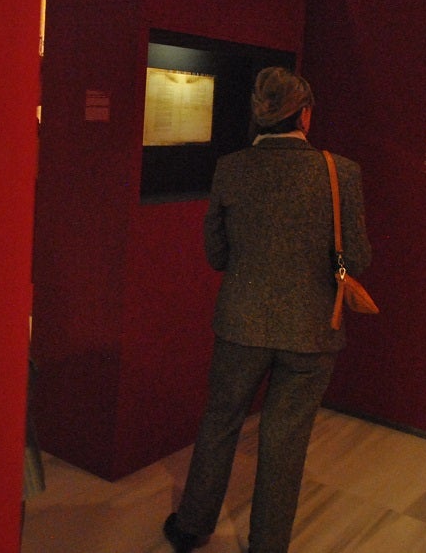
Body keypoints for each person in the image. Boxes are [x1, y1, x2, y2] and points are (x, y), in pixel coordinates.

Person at [163, 67, 372, 553]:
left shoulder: (231, 168)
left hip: (241, 323)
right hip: (312, 329)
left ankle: (192, 525)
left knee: (220, 422)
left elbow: (216, 254)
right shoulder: (340, 172)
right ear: (304, 114)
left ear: (259, 116)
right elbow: (357, 257)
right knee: (285, 442)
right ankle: (268, 544)